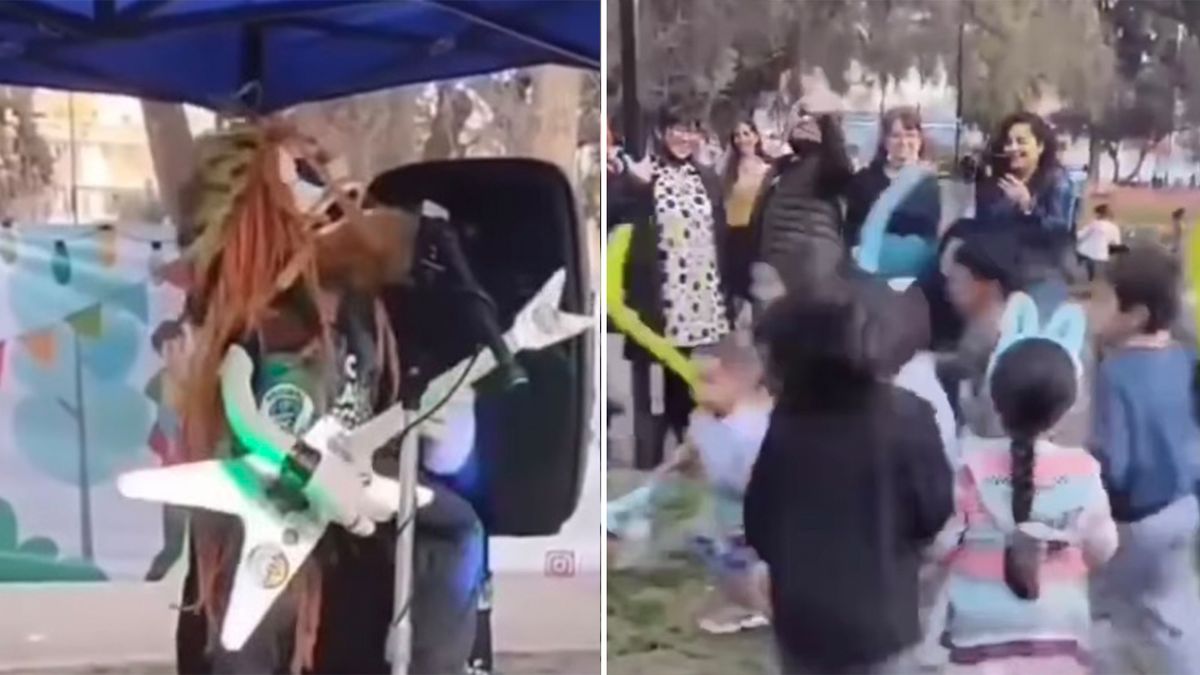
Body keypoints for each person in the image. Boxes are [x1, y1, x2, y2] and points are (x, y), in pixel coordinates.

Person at [745, 283, 953, 674]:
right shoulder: (909, 415)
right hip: (885, 622)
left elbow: (760, 524)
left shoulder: (788, 425)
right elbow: (934, 511)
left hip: (802, 626)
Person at [931, 293, 1118, 675]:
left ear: (994, 401)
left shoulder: (967, 465)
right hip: (1060, 636)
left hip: (977, 638)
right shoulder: (1083, 472)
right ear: (1069, 405)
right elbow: (1103, 547)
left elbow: (941, 543)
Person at [1088, 245, 1200, 675]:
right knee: (1173, 606)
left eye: (1102, 302)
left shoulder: (1117, 374)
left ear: (1133, 314)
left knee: (1106, 608)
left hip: (1137, 521)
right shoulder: (1182, 357)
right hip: (1184, 505)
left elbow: (1116, 462)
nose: (1094, 312)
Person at [611, 103, 734, 464]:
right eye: (677, 128)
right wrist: (633, 184)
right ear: (662, 131)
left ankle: (686, 452)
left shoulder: (707, 177)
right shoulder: (644, 172)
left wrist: (723, 290)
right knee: (648, 384)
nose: (684, 136)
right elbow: (615, 216)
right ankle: (647, 458)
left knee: (684, 384)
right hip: (655, 298)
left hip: (697, 302)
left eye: (692, 129)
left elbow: (720, 234)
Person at [662, 335, 773, 635]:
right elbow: (693, 449)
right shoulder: (702, 418)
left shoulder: (759, 425)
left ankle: (765, 601)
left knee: (747, 555)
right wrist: (678, 464)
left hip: (769, 514)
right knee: (709, 541)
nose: (696, 389)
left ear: (744, 381)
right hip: (727, 506)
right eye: (694, 380)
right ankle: (746, 603)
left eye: (709, 380)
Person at [749, 105, 854, 296]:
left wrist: (827, 122)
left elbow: (842, 167)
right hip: (777, 259)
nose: (802, 125)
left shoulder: (827, 166)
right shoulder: (784, 166)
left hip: (815, 261)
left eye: (810, 122)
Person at [844, 106, 940, 249]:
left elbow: (929, 233)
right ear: (885, 141)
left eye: (910, 135)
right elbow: (851, 230)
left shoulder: (928, 183)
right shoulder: (864, 181)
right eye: (896, 135)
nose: (903, 142)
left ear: (920, 140)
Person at [976, 112, 1074, 232]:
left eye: (1021, 142)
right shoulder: (999, 181)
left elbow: (1060, 231)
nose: (1013, 148)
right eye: (1008, 142)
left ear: (1040, 146)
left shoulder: (1057, 182)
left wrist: (1027, 206)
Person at [722, 119, 773, 313]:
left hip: (758, 236)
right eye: (737, 135)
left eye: (746, 134)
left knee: (757, 292)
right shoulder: (728, 169)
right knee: (735, 294)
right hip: (733, 237)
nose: (742, 139)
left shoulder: (768, 169)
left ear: (756, 136)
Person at [1076, 204, 1122, 279]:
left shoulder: (1094, 224)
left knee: (1081, 250)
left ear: (1099, 214)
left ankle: (1086, 268)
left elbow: (1081, 235)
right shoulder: (1114, 227)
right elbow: (1117, 244)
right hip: (1105, 256)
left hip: (1091, 255)